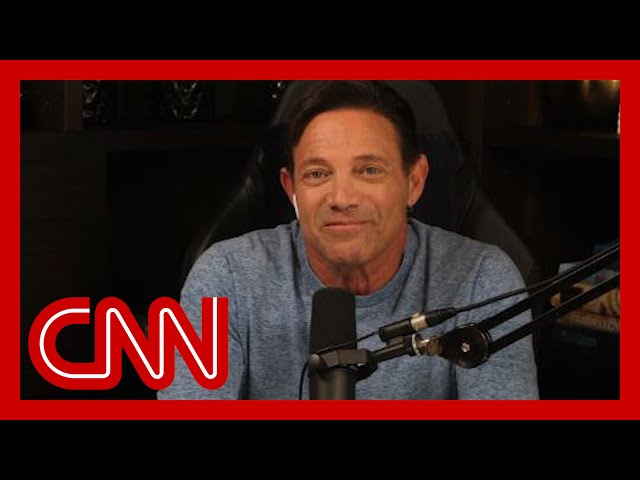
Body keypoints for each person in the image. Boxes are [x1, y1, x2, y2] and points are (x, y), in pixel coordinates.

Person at [156, 81, 539, 400]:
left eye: (369, 170)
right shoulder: (226, 276)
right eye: (317, 174)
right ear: (291, 189)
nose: (341, 198)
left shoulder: (481, 279)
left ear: (414, 181)